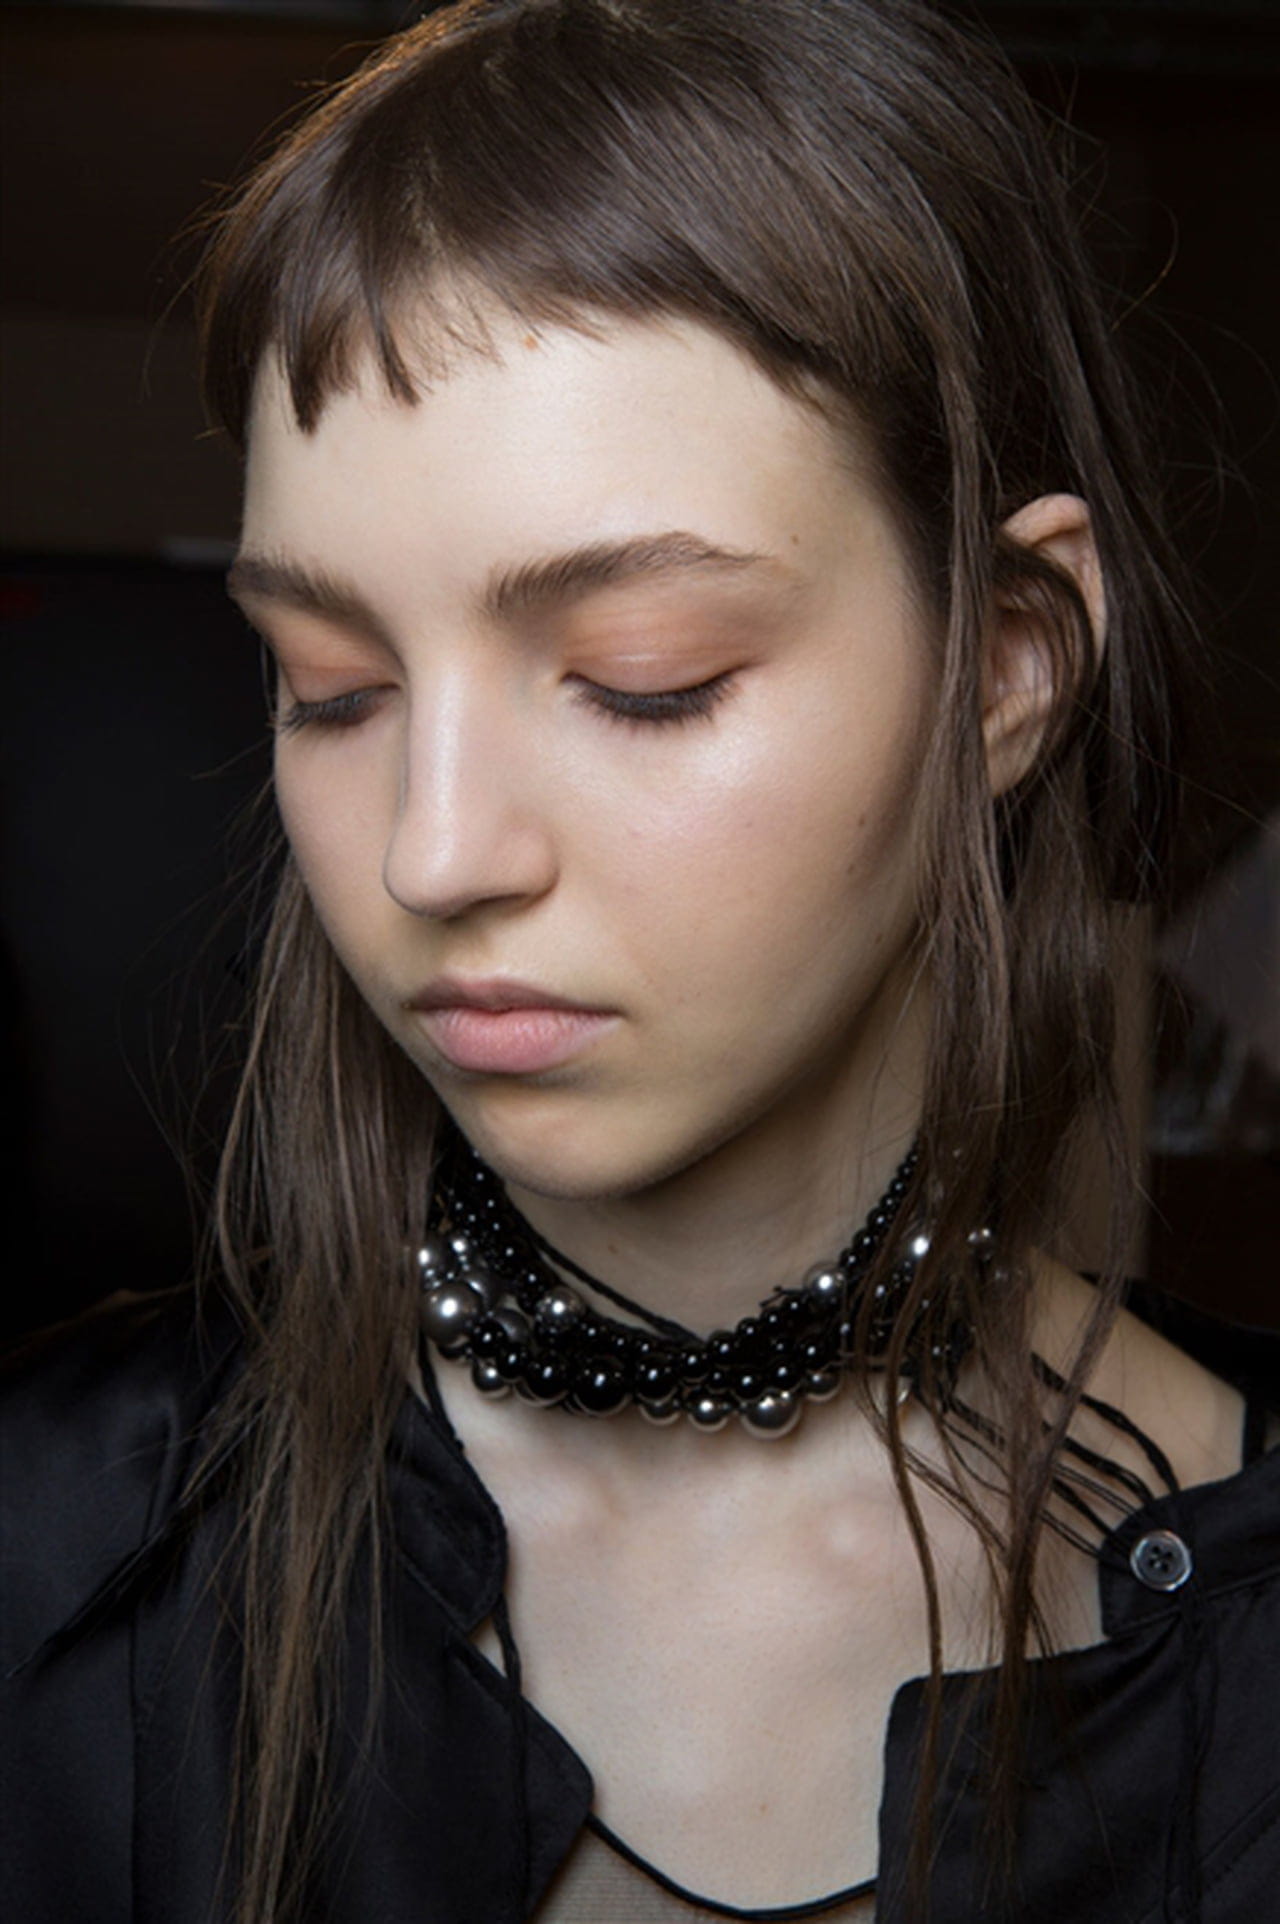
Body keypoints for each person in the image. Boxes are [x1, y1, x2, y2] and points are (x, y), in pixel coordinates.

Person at [3, 2, 1277, 1920]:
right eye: (330, 686)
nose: (434, 854)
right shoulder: (53, 1556)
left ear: (1008, 665)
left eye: (642, 679)